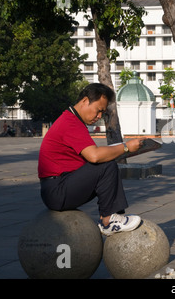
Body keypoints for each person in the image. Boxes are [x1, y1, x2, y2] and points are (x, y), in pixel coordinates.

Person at [38, 83, 144, 236]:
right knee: (106, 165)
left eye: (102, 112)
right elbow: (94, 156)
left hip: (58, 186)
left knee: (106, 163)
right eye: (98, 110)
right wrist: (125, 147)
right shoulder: (70, 122)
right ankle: (108, 220)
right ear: (85, 101)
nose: (99, 116)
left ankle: (114, 217)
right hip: (56, 189)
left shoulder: (73, 120)